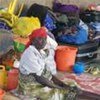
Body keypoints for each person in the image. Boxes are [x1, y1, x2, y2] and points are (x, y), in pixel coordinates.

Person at [18, 27, 78, 100]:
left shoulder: (41, 52)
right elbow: (39, 78)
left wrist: (63, 84)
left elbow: (48, 74)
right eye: (40, 39)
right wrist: (60, 88)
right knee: (60, 94)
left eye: (45, 39)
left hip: (42, 82)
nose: (43, 41)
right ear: (33, 41)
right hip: (30, 86)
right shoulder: (29, 55)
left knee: (72, 84)